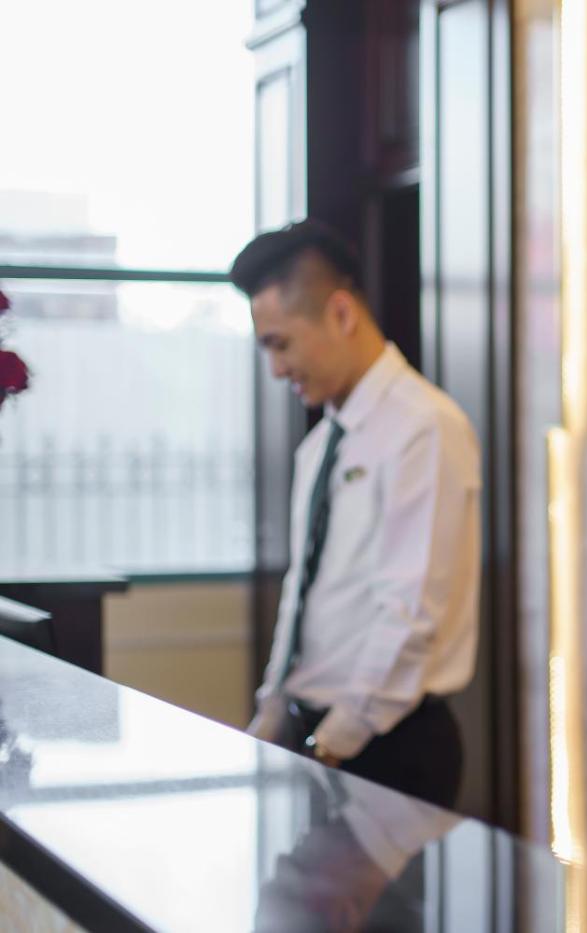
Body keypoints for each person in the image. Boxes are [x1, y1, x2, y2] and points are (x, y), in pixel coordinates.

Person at [232, 219, 480, 810]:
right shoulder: (320, 445)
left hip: (385, 748)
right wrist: (272, 711)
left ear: (340, 313)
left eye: (281, 344)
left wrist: (331, 745)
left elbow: (410, 614)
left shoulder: (425, 427)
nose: (276, 369)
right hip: (317, 735)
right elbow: (303, 591)